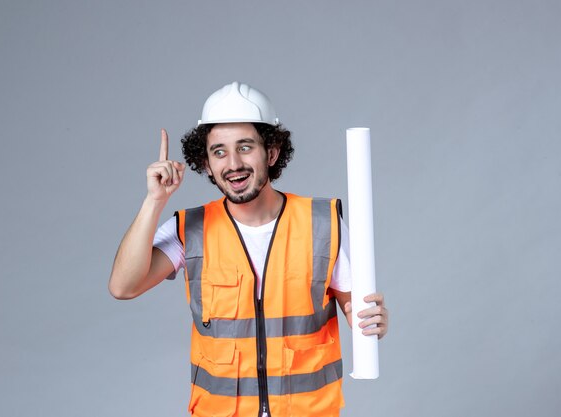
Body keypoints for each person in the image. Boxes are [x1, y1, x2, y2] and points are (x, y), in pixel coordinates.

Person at [109, 82, 389, 417]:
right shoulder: (190, 229)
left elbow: (357, 316)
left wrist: (373, 321)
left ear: (271, 152)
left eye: (245, 147)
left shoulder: (323, 224)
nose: (233, 164)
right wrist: (154, 201)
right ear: (207, 164)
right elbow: (122, 287)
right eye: (219, 152)